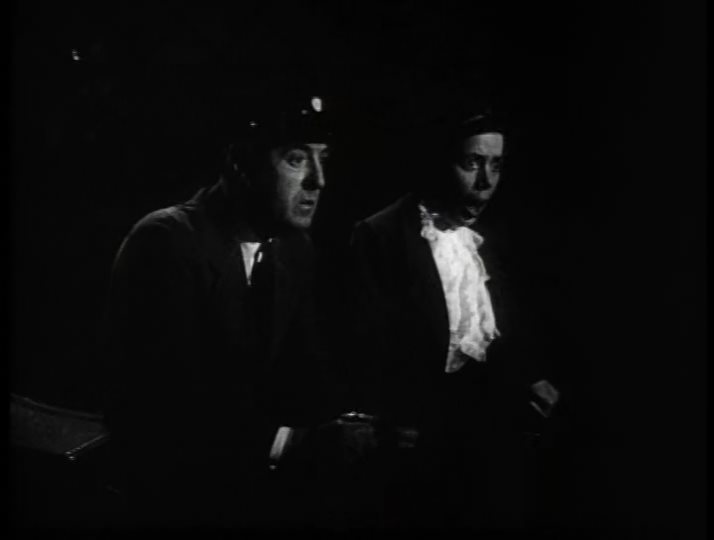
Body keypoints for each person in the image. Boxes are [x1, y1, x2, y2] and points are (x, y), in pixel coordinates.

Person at [101, 93, 343, 527]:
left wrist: (345, 429)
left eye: (323, 160)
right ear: (239, 164)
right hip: (174, 497)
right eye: (296, 160)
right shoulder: (166, 241)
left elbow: (308, 373)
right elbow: (168, 409)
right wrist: (290, 442)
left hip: (256, 487)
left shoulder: (295, 249)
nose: (318, 181)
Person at [348, 101, 560, 530]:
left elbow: (499, 323)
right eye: (472, 164)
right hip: (416, 434)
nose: (485, 183)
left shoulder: (491, 232)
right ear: (439, 162)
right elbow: (369, 348)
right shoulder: (381, 235)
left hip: (484, 424)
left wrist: (531, 376)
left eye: (496, 166)